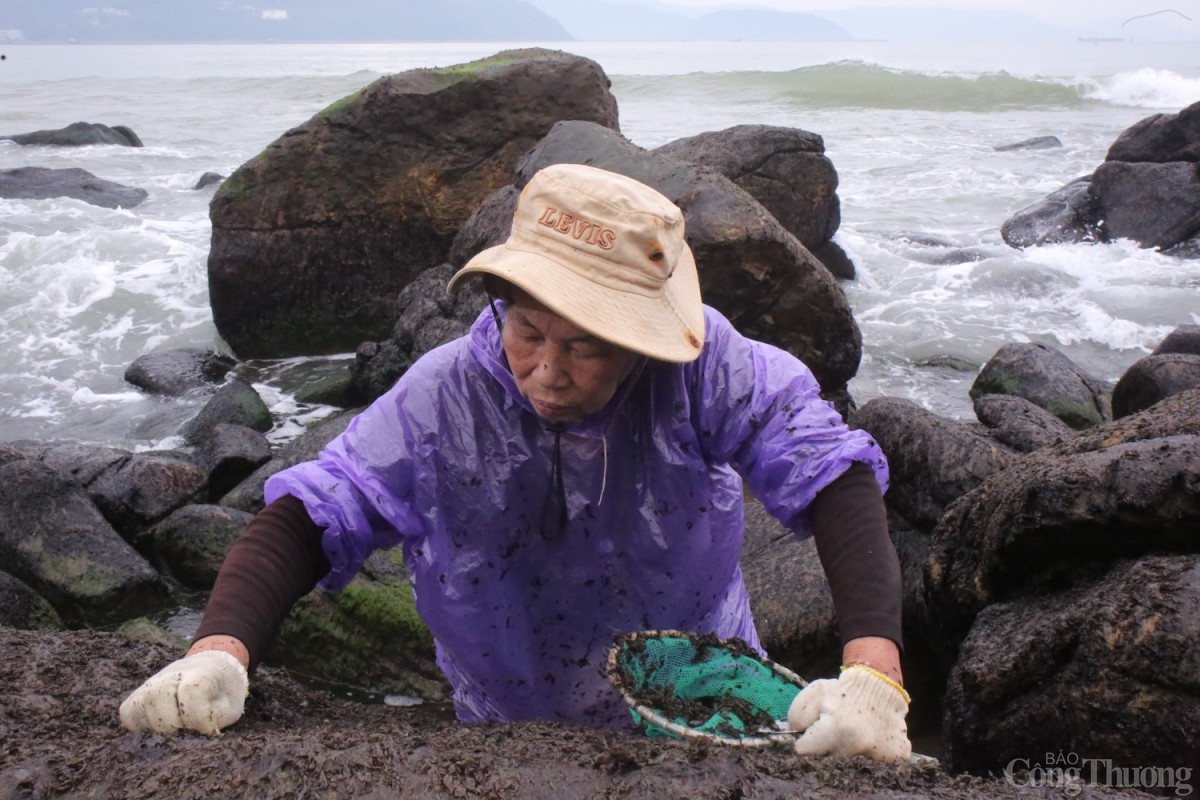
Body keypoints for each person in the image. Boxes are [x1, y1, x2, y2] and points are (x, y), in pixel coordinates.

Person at [119, 163, 911, 761]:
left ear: (641, 341)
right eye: (528, 332)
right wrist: (218, 651)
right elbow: (313, 514)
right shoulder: (441, 399)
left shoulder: (705, 370)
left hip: (699, 700)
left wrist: (874, 673)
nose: (548, 373)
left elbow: (831, 471)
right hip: (509, 728)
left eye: (587, 347)